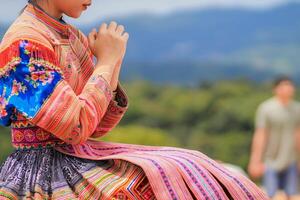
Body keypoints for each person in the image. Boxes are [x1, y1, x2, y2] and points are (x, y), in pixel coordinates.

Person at [0, 0, 268, 199]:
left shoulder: (71, 37)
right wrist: (107, 61)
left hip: (75, 155)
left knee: (193, 164)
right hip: (42, 172)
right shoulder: (24, 43)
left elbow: (98, 125)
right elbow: (76, 128)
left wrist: (112, 63)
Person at [248, 75, 300, 199]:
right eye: (284, 86)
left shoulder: (297, 109)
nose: (287, 89)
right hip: (270, 160)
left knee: (291, 194)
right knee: (269, 195)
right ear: (275, 89)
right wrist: (255, 160)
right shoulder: (266, 109)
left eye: (289, 86)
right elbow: (260, 135)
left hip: (291, 159)